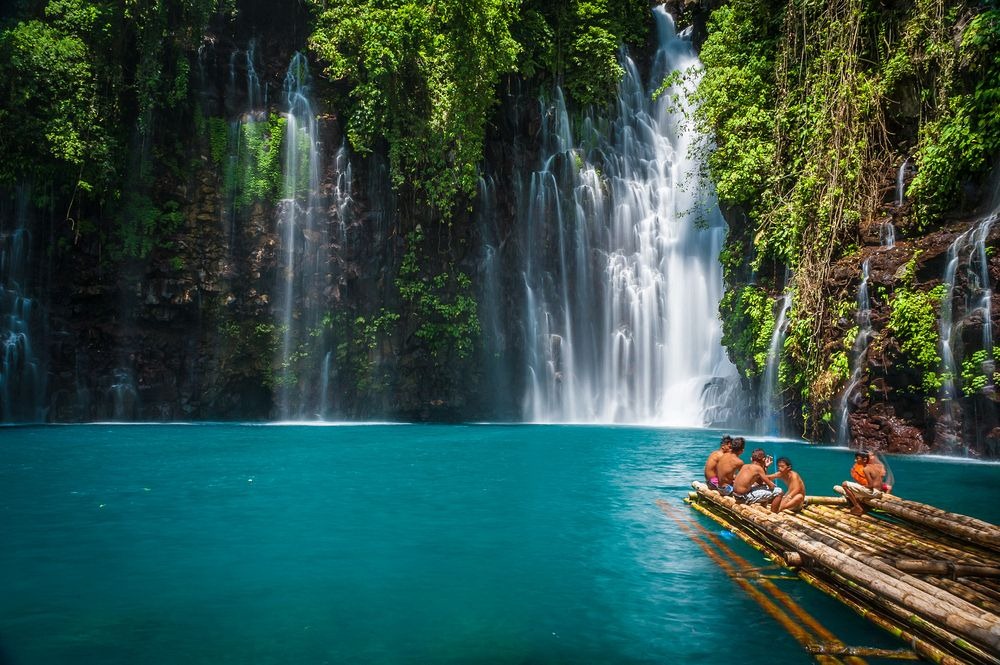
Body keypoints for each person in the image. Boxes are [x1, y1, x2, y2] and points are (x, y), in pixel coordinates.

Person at [842, 450, 890, 515]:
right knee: (852, 489)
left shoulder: (866, 469)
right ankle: (863, 506)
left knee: (844, 484)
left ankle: (857, 507)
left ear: (864, 460)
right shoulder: (872, 466)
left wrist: (863, 486)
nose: (855, 461)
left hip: (874, 493)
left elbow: (871, 486)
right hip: (878, 492)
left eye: (857, 459)